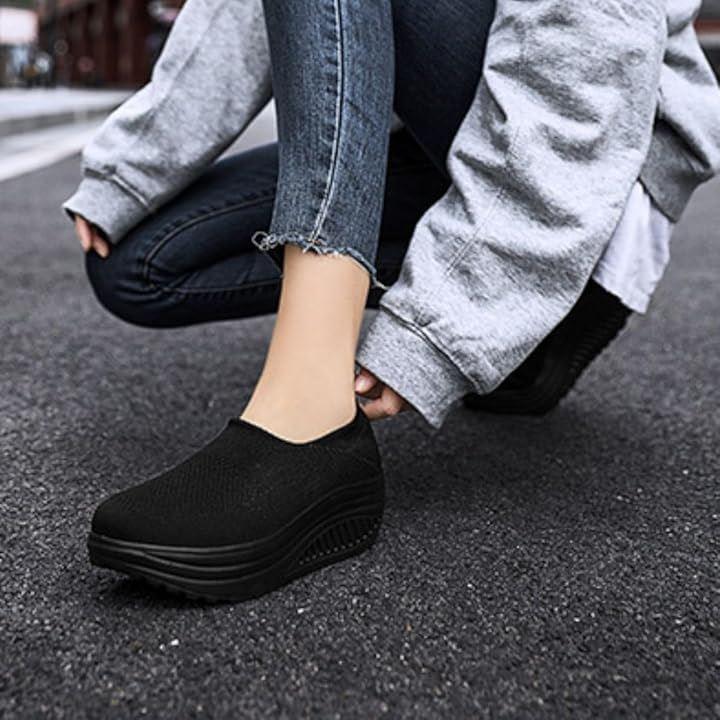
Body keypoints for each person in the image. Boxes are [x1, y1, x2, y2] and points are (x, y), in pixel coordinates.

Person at [64, 0, 720, 601]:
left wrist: (439, 328)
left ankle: (312, 416)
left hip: (593, 165)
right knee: (141, 264)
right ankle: (504, 320)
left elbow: (578, 79)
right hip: (443, 141)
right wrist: (134, 167)